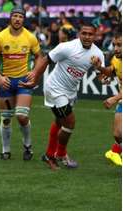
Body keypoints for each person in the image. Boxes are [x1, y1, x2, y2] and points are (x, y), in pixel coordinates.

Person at [19, 23, 106, 170]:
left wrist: (102, 72)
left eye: (90, 34)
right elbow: (46, 60)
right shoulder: (67, 47)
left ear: (95, 35)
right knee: (70, 122)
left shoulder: (98, 54)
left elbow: (102, 79)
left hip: (70, 92)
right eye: (84, 33)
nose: (86, 36)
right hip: (55, 89)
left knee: (60, 123)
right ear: (79, 33)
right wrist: (34, 80)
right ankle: (57, 154)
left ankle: (51, 154)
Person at [0, 7, 42, 161]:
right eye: (15, 16)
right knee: (6, 118)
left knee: (21, 115)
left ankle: (28, 146)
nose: (18, 19)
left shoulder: (30, 37)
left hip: (23, 81)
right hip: (6, 82)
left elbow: (39, 57)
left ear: (23, 19)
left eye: (20, 16)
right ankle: (6, 151)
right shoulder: (0, 37)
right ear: (10, 18)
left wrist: (35, 72)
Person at [93, 32, 122, 166]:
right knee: (117, 134)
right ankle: (115, 150)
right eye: (114, 45)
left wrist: (114, 98)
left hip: (119, 97)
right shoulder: (116, 59)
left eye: (120, 45)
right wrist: (100, 68)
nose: (116, 48)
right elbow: (111, 71)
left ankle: (115, 151)